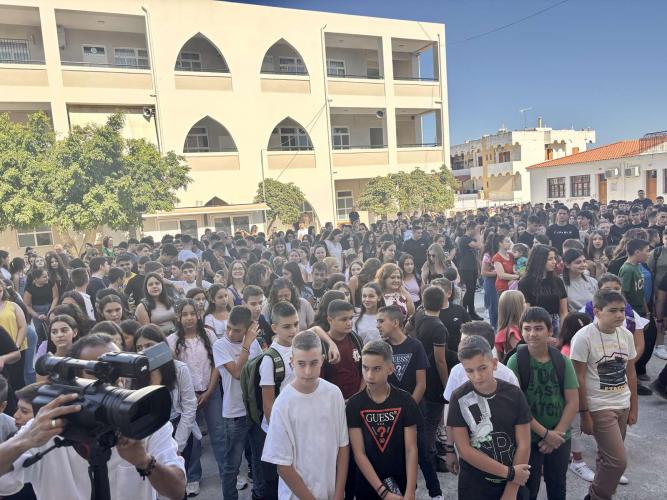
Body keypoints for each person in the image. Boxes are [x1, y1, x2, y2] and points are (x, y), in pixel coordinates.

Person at [0, 334, 186, 500]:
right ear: (73, 382)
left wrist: (144, 461)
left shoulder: (144, 419)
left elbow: (177, 490)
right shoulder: (47, 427)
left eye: (117, 373)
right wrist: (25, 440)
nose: (112, 383)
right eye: (99, 376)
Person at [262, 330, 349, 500]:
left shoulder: (334, 394)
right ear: (292, 362)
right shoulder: (282, 404)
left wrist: (339, 492)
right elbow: (283, 466)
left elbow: (343, 446)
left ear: (322, 360)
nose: (308, 371)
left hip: (331, 492)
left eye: (313, 363)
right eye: (301, 364)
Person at [506, 307, 579, 500]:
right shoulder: (515, 362)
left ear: (550, 331)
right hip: (528, 438)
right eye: (527, 328)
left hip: (560, 436)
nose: (532, 334)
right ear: (521, 331)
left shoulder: (563, 361)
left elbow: (572, 402)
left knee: (557, 485)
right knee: (529, 487)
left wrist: (556, 434)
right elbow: (517, 408)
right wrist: (546, 434)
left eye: (538, 328)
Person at [571, 289, 638, 500]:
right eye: (613, 310)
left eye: (622, 310)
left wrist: (634, 408)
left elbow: (631, 373)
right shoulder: (583, 337)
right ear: (597, 311)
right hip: (599, 405)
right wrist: (585, 414)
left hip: (623, 403)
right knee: (618, 461)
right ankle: (597, 496)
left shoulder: (626, 335)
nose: (620, 315)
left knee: (606, 458)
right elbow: (578, 378)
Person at [447, 335, 532, 500]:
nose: (477, 376)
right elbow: (464, 450)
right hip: (474, 486)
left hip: (512, 483)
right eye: (469, 371)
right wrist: (509, 473)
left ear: (494, 363)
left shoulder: (514, 394)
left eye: (482, 368)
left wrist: (511, 490)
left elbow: (524, 444)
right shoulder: (458, 398)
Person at [346, 340, 420, 500]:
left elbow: (411, 449)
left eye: (377, 369)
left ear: (390, 369)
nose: (369, 375)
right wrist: (383, 492)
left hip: (401, 482)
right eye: (365, 368)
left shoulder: (405, 400)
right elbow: (359, 453)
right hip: (368, 486)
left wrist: (410, 492)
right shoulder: (354, 405)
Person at [167, 299, 224, 496]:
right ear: (178, 317)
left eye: (192, 313)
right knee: (193, 438)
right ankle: (192, 476)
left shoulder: (208, 334)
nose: (189, 318)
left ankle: (226, 471)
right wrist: (190, 395)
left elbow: (217, 364)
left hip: (211, 391)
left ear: (198, 315)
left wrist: (209, 391)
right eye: (185, 314)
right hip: (187, 397)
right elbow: (175, 370)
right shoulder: (172, 340)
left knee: (218, 432)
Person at [213, 306, 264, 500]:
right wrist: (246, 344)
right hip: (234, 414)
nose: (230, 333)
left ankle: (259, 495)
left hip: (254, 411)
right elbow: (236, 372)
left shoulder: (254, 343)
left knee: (259, 459)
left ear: (248, 328)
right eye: (228, 327)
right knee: (231, 465)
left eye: (237, 330)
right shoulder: (220, 345)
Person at [134, 325, 199, 476]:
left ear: (162, 345)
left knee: (178, 480)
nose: (144, 351)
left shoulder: (179, 369)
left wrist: (178, 445)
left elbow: (189, 407)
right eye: (139, 348)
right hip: (151, 434)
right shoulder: (135, 376)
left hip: (178, 429)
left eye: (149, 345)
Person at [414, 286, 447, 500]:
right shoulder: (439, 327)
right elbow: (440, 360)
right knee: (431, 423)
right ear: (443, 302)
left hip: (420, 374)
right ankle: (429, 458)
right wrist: (447, 383)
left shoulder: (419, 315)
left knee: (425, 420)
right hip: (433, 379)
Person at [518, 245, 568, 337]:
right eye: (550, 259)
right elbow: (525, 313)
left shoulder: (558, 281)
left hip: (556, 325)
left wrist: (562, 334)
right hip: (535, 326)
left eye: (554, 258)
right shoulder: (525, 283)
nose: (554, 262)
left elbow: (563, 311)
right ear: (539, 261)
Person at [320, 300, 364, 401]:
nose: (349, 323)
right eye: (344, 319)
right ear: (330, 320)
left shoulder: (356, 339)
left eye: (351, 318)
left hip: (356, 400)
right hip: (332, 402)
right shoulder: (322, 344)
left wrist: (360, 394)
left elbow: (365, 370)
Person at [457, 222, 483, 320]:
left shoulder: (471, 239)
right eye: (476, 229)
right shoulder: (464, 239)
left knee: (472, 291)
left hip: (473, 267)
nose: (477, 232)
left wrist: (478, 268)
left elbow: (477, 253)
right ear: (470, 229)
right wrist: (479, 233)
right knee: (469, 290)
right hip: (465, 268)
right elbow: (478, 245)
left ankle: (472, 312)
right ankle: (463, 312)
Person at [618, 239, 650, 316]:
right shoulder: (627, 269)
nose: (649, 254)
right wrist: (629, 312)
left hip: (641, 310)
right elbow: (622, 293)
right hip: (633, 312)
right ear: (637, 252)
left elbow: (641, 292)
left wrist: (647, 311)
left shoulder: (638, 266)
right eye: (647, 251)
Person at [494, 290, 525, 362]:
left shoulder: (517, 327)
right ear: (517, 307)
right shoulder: (511, 332)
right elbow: (521, 353)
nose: (526, 305)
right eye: (523, 302)